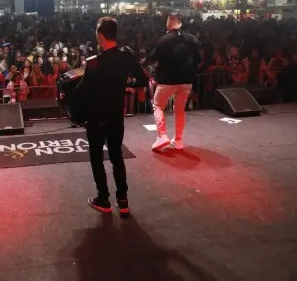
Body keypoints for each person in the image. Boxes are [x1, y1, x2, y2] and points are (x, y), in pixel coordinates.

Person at [73, 17, 148, 215]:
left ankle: (103, 199)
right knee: (116, 156)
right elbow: (142, 79)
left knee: (97, 157)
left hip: (96, 117)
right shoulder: (127, 55)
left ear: (100, 35)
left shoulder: (94, 63)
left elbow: (81, 90)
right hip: (116, 115)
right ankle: (123, 201)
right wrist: (125, 85)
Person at [149, 12, 201, 151]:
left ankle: (162, 136)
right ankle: (178, 140)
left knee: (158, 105)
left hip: (167, 80)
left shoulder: (164, 40)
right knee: (179, 110)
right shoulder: (192, 39)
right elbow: (198, 59)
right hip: (186, 80)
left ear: (169, 22)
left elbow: (153, 57)